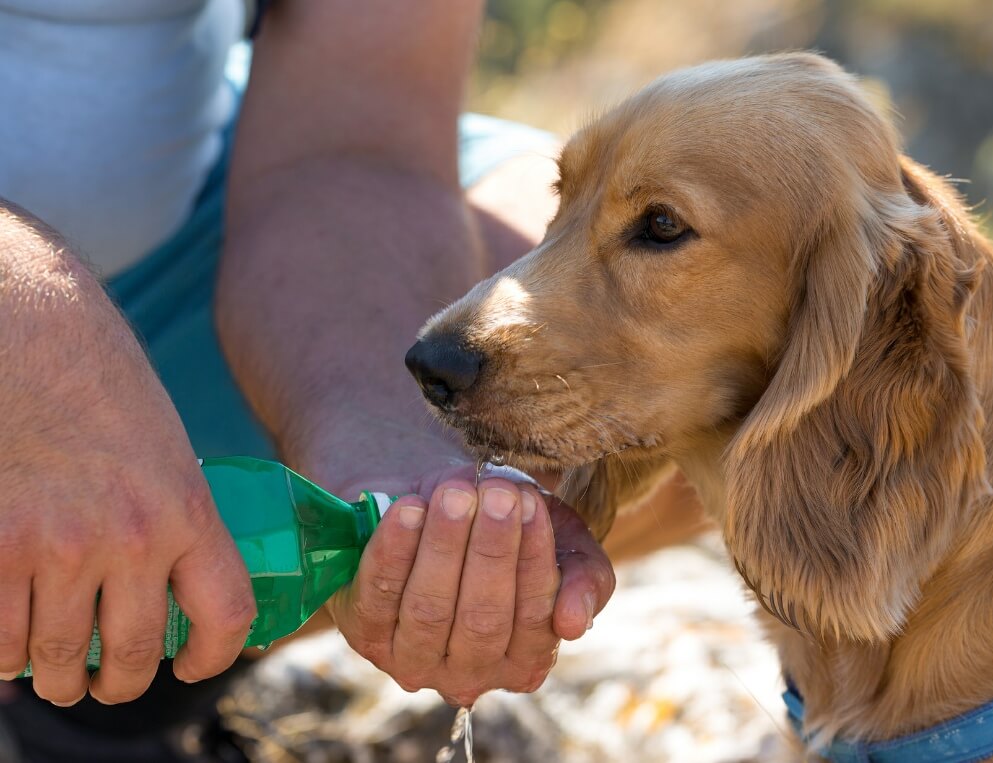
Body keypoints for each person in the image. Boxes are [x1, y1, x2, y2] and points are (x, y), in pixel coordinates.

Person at [0, 1, 629, 759]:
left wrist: (385, 453)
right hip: (35, 312)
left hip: (179, 222)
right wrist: (32, 351)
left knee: (645, 322)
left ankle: (109, 689)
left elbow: (353, 143)